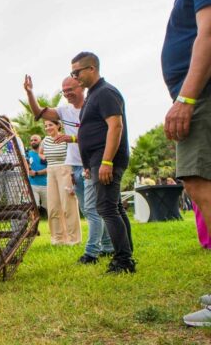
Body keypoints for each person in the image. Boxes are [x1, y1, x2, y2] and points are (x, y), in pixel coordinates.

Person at [142, 0, 211, 325]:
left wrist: (185, 97)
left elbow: (209, 33)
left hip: (202, 94)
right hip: (198, 93)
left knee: (199, 182)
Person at [24, 75, 114, 263]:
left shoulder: (92, 107)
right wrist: (30, 93)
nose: (66, 94)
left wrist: (73, 139)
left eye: (69, 90)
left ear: (81, 86)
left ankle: (91, 252)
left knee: (91, 208)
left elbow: (100, 136)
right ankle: (108, 245)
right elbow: (39, 112)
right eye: (64, 91)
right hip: (74, 165)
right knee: (87, 207)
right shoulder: (64, 111)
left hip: (91, 163)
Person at [72, 52, 134, 274]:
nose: (74, 76)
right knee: (114, 206)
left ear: (92, 68)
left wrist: (107, 161)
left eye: (76, 71)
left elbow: (115, 126)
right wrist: (89, 164)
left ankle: (123, 261)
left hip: (107, 159)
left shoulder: (106, 92)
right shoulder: (93, 95)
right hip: (97, 160)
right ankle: (127, 252)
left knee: (106, 208)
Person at [39, 120, 81, 245]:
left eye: (50, 125)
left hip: (65, 170)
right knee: (53, 207)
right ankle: (58, 239)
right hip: (50, 172)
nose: (47, 128)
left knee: (69, 206)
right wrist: (44, 157)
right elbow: (40, 152)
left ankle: (74, 239)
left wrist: (73, 176)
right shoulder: (45, 140)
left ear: (58, 125)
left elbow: (75, 154)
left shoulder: (65, 138)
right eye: (46, 126)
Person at [26, 134, 48, 211]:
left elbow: (50, 169)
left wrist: (36, 173)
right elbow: (24, 168)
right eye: (31, 140)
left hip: (46, 185)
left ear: (41, 141)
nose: (33, 142)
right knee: (33, 208)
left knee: (49, 208)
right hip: (32, 185)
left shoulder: (46, 154)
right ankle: (34, 222)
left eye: (35, 140)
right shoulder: (27, 154)